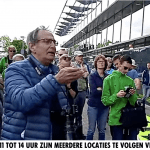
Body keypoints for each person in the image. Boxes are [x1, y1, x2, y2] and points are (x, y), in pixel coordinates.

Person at [1, 26, 84, 140]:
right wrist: (56, 80)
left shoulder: (56, 70)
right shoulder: (16, 69)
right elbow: (22, 101)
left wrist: (69, 85)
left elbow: (63, 107)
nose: (53, 46)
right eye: (47, 41)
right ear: (32, 46)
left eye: (54, 42)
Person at [102, 55, 138, 140]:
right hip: (116, 119)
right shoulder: (108, 79)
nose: (127, 71)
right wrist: (116, 96)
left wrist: (132, 95)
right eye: (125, 68)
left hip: (129, 117)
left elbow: (133, 102)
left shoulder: (130, 80)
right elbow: (105, 101)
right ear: (118, 64)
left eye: (129, 69)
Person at [51, 54, 78, 140]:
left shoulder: (72, 78)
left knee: (68, 137)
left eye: (66, 68)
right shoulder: (52, 76)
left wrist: (69, 86)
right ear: (59, 64)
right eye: (62, 68)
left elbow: (74, 95)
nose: (64, 71)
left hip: (67, 111)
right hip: (55, 112)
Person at [86, 54, 109, 140]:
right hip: (93, 105)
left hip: (104, 106)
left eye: (103, 62)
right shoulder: (92, 76)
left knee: (102, 130)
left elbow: (109, 91)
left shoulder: (108, 77)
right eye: (99, 62)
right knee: (91, 130)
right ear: (96, 63)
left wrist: (100, 89)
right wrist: (104, 90)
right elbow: (94, 91)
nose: (101, 63)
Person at [71, 50, 89, 139]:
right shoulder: (72, 65)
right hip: (74, 91)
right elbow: (79, 74)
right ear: (75, 57)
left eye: (81, 56)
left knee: (79, 114)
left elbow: (86, 75)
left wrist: (82, 70)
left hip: (82, 91)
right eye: (79, 56)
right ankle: (73, 134)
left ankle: (79, 134)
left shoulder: (84, 65)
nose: (81, 58)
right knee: (73, 112)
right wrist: (82, 72)